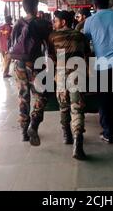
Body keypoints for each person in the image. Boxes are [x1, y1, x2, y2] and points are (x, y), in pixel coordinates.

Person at [83, 0, 113, 143]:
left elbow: (86, 42)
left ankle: (108, 133)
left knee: (104, 100)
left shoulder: (90, 21)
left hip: (102, 66)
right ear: (109, 2)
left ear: (94, 5)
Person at [10, 0, 52, 146]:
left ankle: (23, 132)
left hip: (18, 65)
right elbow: (49, 46)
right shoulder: (43, 24)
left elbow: (12, 45)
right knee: (42, 95)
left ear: (24, 7)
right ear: (36, 7)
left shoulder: (17, 24)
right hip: (35, 64)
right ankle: (33, 124)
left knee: (23, 96)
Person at [48, 11, 91, 160]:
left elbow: (51, 57)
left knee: (64, 106)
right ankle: (78, 144)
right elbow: (87, 54)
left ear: (64, 22)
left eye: (56, 21)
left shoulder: (53, 37)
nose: (54, 23)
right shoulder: (81, 36)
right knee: (77, 108)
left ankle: (67, 135)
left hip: (61, 76)